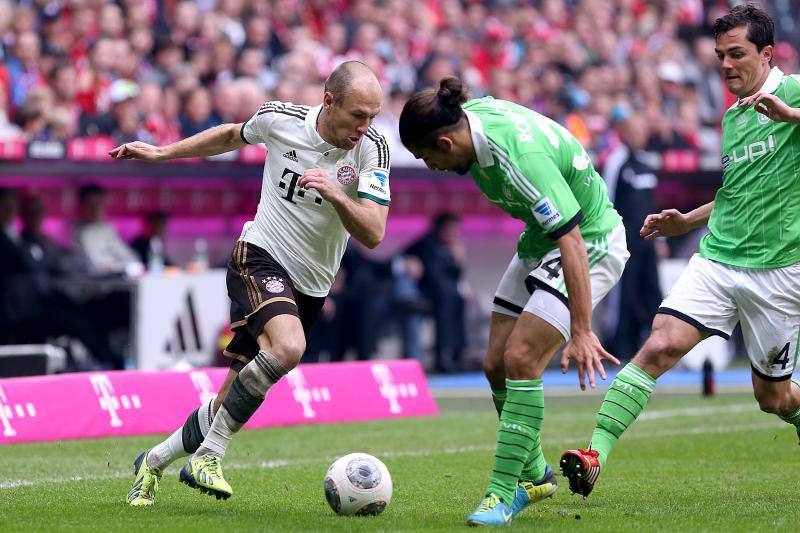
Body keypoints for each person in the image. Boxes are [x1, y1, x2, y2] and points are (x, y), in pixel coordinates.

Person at [111, 60, 390, 506]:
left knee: (229, 398)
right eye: (358, 115)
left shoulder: (372, 150)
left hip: (309, 288)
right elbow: (230, 135)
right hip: (259, 255)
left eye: (373, 116)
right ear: (329, 101)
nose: (365, 126)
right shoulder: (281, 120)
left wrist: (337, 193)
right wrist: (163, 153)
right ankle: (210, 455)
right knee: (289, 347)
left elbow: (374, 232)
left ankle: (153, 461)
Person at [561, 4, 800, 501]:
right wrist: (685, 221)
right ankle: (594, 453)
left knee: (773, 398)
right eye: (720, 55)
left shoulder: (793, 91)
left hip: (778, 272)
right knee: (660, 345)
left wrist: (793, 115)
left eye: (737, 54)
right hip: (718, 260)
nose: (726, 65)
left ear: (767, 54)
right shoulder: (734, 116)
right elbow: (738, 193)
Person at [399, 77, 628, 526]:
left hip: (590, 242)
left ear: (446, 142)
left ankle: (503, 493)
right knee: (495, 365)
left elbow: (574, 242)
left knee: (521, 358)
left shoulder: (517, 159)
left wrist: (582, 330)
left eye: (428, 158)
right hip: (540, 241)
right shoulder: (467, 117)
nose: (432, 168)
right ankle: (538, 474)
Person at [601, 112, 663, 362]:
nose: (639, 136)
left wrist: (660, 238)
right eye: (634, 131)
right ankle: (619, 349)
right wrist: (608, 239)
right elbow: (606, 201)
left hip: (648, 242)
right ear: (623, 133)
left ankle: (656, 349)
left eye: (641, 131)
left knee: (653, 294)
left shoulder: (646, 162)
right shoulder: (616, 162)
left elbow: (652, 203)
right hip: (624, 244)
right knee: (623, 297)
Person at [404, 212, 467, 373]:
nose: (455, 234)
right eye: (451, 229)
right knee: (448, 298)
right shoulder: (426, 245)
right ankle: (442, 357)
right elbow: (434, 278)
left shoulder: (448, 248)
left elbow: (453, 277)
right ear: (440, 229)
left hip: (442, 295)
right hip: (419, 294)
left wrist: (457, 261)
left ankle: (457, 354)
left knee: (458, 299)